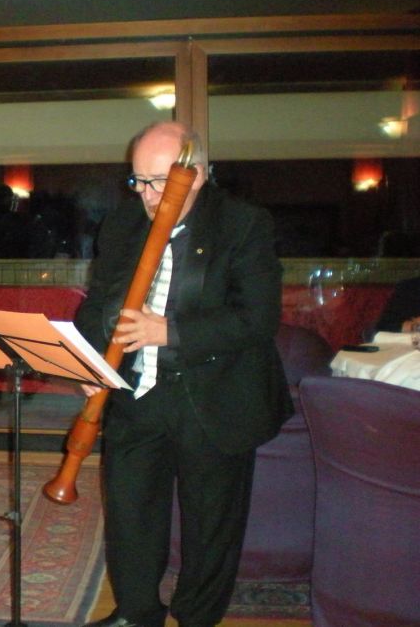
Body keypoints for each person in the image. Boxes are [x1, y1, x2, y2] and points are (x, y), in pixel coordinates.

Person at [74, 122, 292, 627]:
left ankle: (197, 617)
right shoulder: (123, 223)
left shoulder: (242, 223)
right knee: (130, 513)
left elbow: (258, 318)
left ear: (196, 174)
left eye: (158, 181)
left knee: (210, 524)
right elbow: (96, 303)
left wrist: (169, 331)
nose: (147, 195)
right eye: (137, 181)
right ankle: (136, 613)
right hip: (137, 392)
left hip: (215, 394)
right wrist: (92, 357)